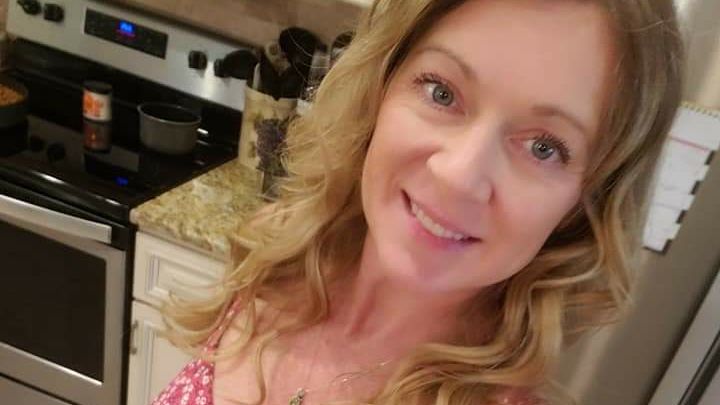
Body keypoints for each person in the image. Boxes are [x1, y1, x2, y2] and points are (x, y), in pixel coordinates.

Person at [151, 0, 684, 404]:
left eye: (544, 147)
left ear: (586, 203)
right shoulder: (278, 260)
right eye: (441, 92)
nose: (459, 176)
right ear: (381, 87)